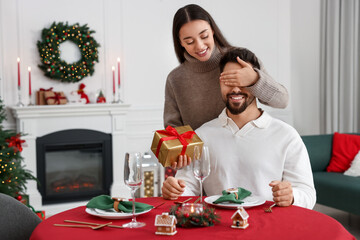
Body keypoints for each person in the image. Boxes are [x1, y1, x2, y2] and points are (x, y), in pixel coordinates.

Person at [162, 47, 316, 209]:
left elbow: (307, 194)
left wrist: (292, 196)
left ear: (256, 83)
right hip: (218, 229)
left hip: (269, 230)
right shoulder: (201, 136)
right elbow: (187, 187)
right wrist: (175, 189)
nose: (235, 89)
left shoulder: (286, 136)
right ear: (219, 83)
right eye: (228, 81)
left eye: (243, 81)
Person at [164, 4, 289, 133]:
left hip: (246, 145)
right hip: (203, 152)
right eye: (190, 41)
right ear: (180, 42)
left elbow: (282, 101)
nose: (200, 46)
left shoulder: (238, 60)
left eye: (204, 36)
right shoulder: (175, 79)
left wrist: (255, 79)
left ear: (212, 30)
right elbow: (173, 130)